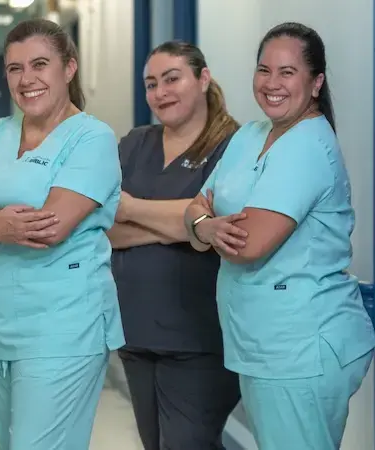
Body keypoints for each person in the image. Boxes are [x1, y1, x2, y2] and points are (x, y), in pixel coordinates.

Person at [184, 22, 375, 449]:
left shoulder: (308, 144)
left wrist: (205, 226)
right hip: (262, 344)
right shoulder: (249, 135)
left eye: (287, 72)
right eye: (264, 69)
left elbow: (248, 245)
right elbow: (195, 207)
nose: (272, 84)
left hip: (300, 347)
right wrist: (205, 224)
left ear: (315, 82)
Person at [0, 19, 125, 449]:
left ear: (69, 68)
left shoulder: (91, 138)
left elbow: (49, 227)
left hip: (64, 329)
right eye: (15, 68)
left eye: (40, 64)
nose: (27, 79)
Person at [108, 41, 241, 450]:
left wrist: (132, 208)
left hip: (201, 337)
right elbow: (104, 226)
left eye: (171, 78)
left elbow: (223, 221)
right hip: (136, 331)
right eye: (151, 84)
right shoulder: (134, 144)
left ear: (203, 79)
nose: (160, 92)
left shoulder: (234, 146)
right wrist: (188, 224)